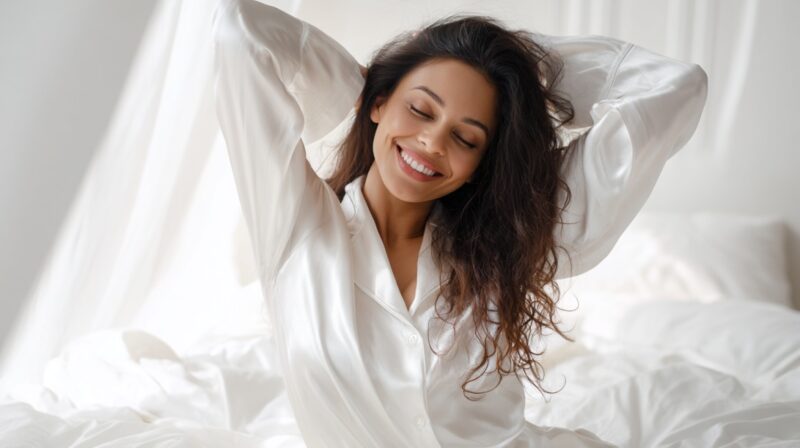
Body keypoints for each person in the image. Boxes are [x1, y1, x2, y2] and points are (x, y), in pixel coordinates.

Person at [211, 0, 708, 445]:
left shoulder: (509, 239)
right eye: (420, 109)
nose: (431, 143)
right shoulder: (295, 227)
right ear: (379, 102)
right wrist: (358, 87)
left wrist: (513, 71)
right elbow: (240, 28)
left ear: (482, 163)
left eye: (466, 139)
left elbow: (673, 88)